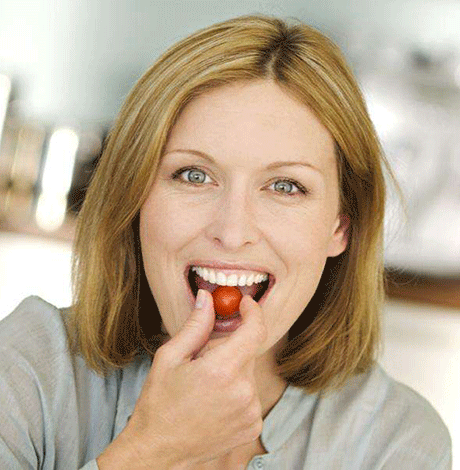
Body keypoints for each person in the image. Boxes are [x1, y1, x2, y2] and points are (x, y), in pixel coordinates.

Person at [0, 14, 451, 470]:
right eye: (194, 175)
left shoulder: (397, 443)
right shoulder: (28, 368)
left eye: (285, 186)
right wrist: (155, 449)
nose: (232, 234)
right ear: (134, 198)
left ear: (340, 227)